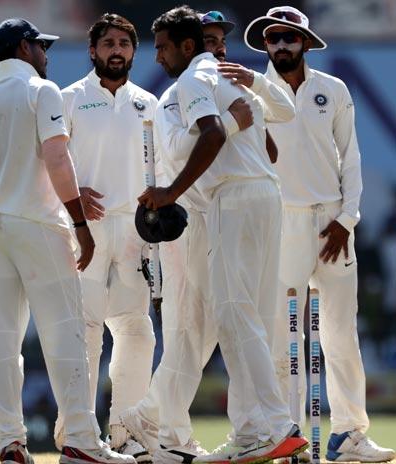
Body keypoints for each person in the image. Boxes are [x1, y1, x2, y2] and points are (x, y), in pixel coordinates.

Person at [119, 10, 297, 462]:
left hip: (227, 204)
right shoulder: (220, 84)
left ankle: (272, 425)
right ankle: (244, 430)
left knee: (232, 319)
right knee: (229, 322)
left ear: (185, 45)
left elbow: (209, 138)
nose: (155, 56)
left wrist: (168, 192)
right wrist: (247, 102)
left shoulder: (195, 83)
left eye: (161, 46)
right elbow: (252, 126)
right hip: (259, 200)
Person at [0, 17, 135, 464]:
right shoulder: (42, 91)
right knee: (66, 334)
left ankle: (9, 442)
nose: (46, 54)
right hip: (38, 223)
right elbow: (58, 158)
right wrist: (79, 224)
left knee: (2, 342)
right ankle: (80, 439)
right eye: (41, 46)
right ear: (24, 47)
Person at [245, 6, 395, 462]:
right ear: (266, 45)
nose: (282, 45)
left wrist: (347, 220)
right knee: (281, 333)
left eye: (290, 38)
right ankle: (285, 435)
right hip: (282, 219)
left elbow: (350, 158)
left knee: (340, 334)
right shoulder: (255, 92)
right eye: (274, 38)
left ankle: (348, 434)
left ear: (306, 43)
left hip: (331, 221)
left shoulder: (333, 89)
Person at [55, 13, 157, 461]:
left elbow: (161, 171)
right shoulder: (69, 98)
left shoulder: (147, 103)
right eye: (108, 43)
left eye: (124, 44)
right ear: (93, 51)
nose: (117, 51)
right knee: (85, 332)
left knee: (138, 332)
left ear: (134, 51)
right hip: (86, 230)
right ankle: (75, 434)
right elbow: (47, 163)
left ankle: (124, 432)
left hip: (135, 231)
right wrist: (72, 195)